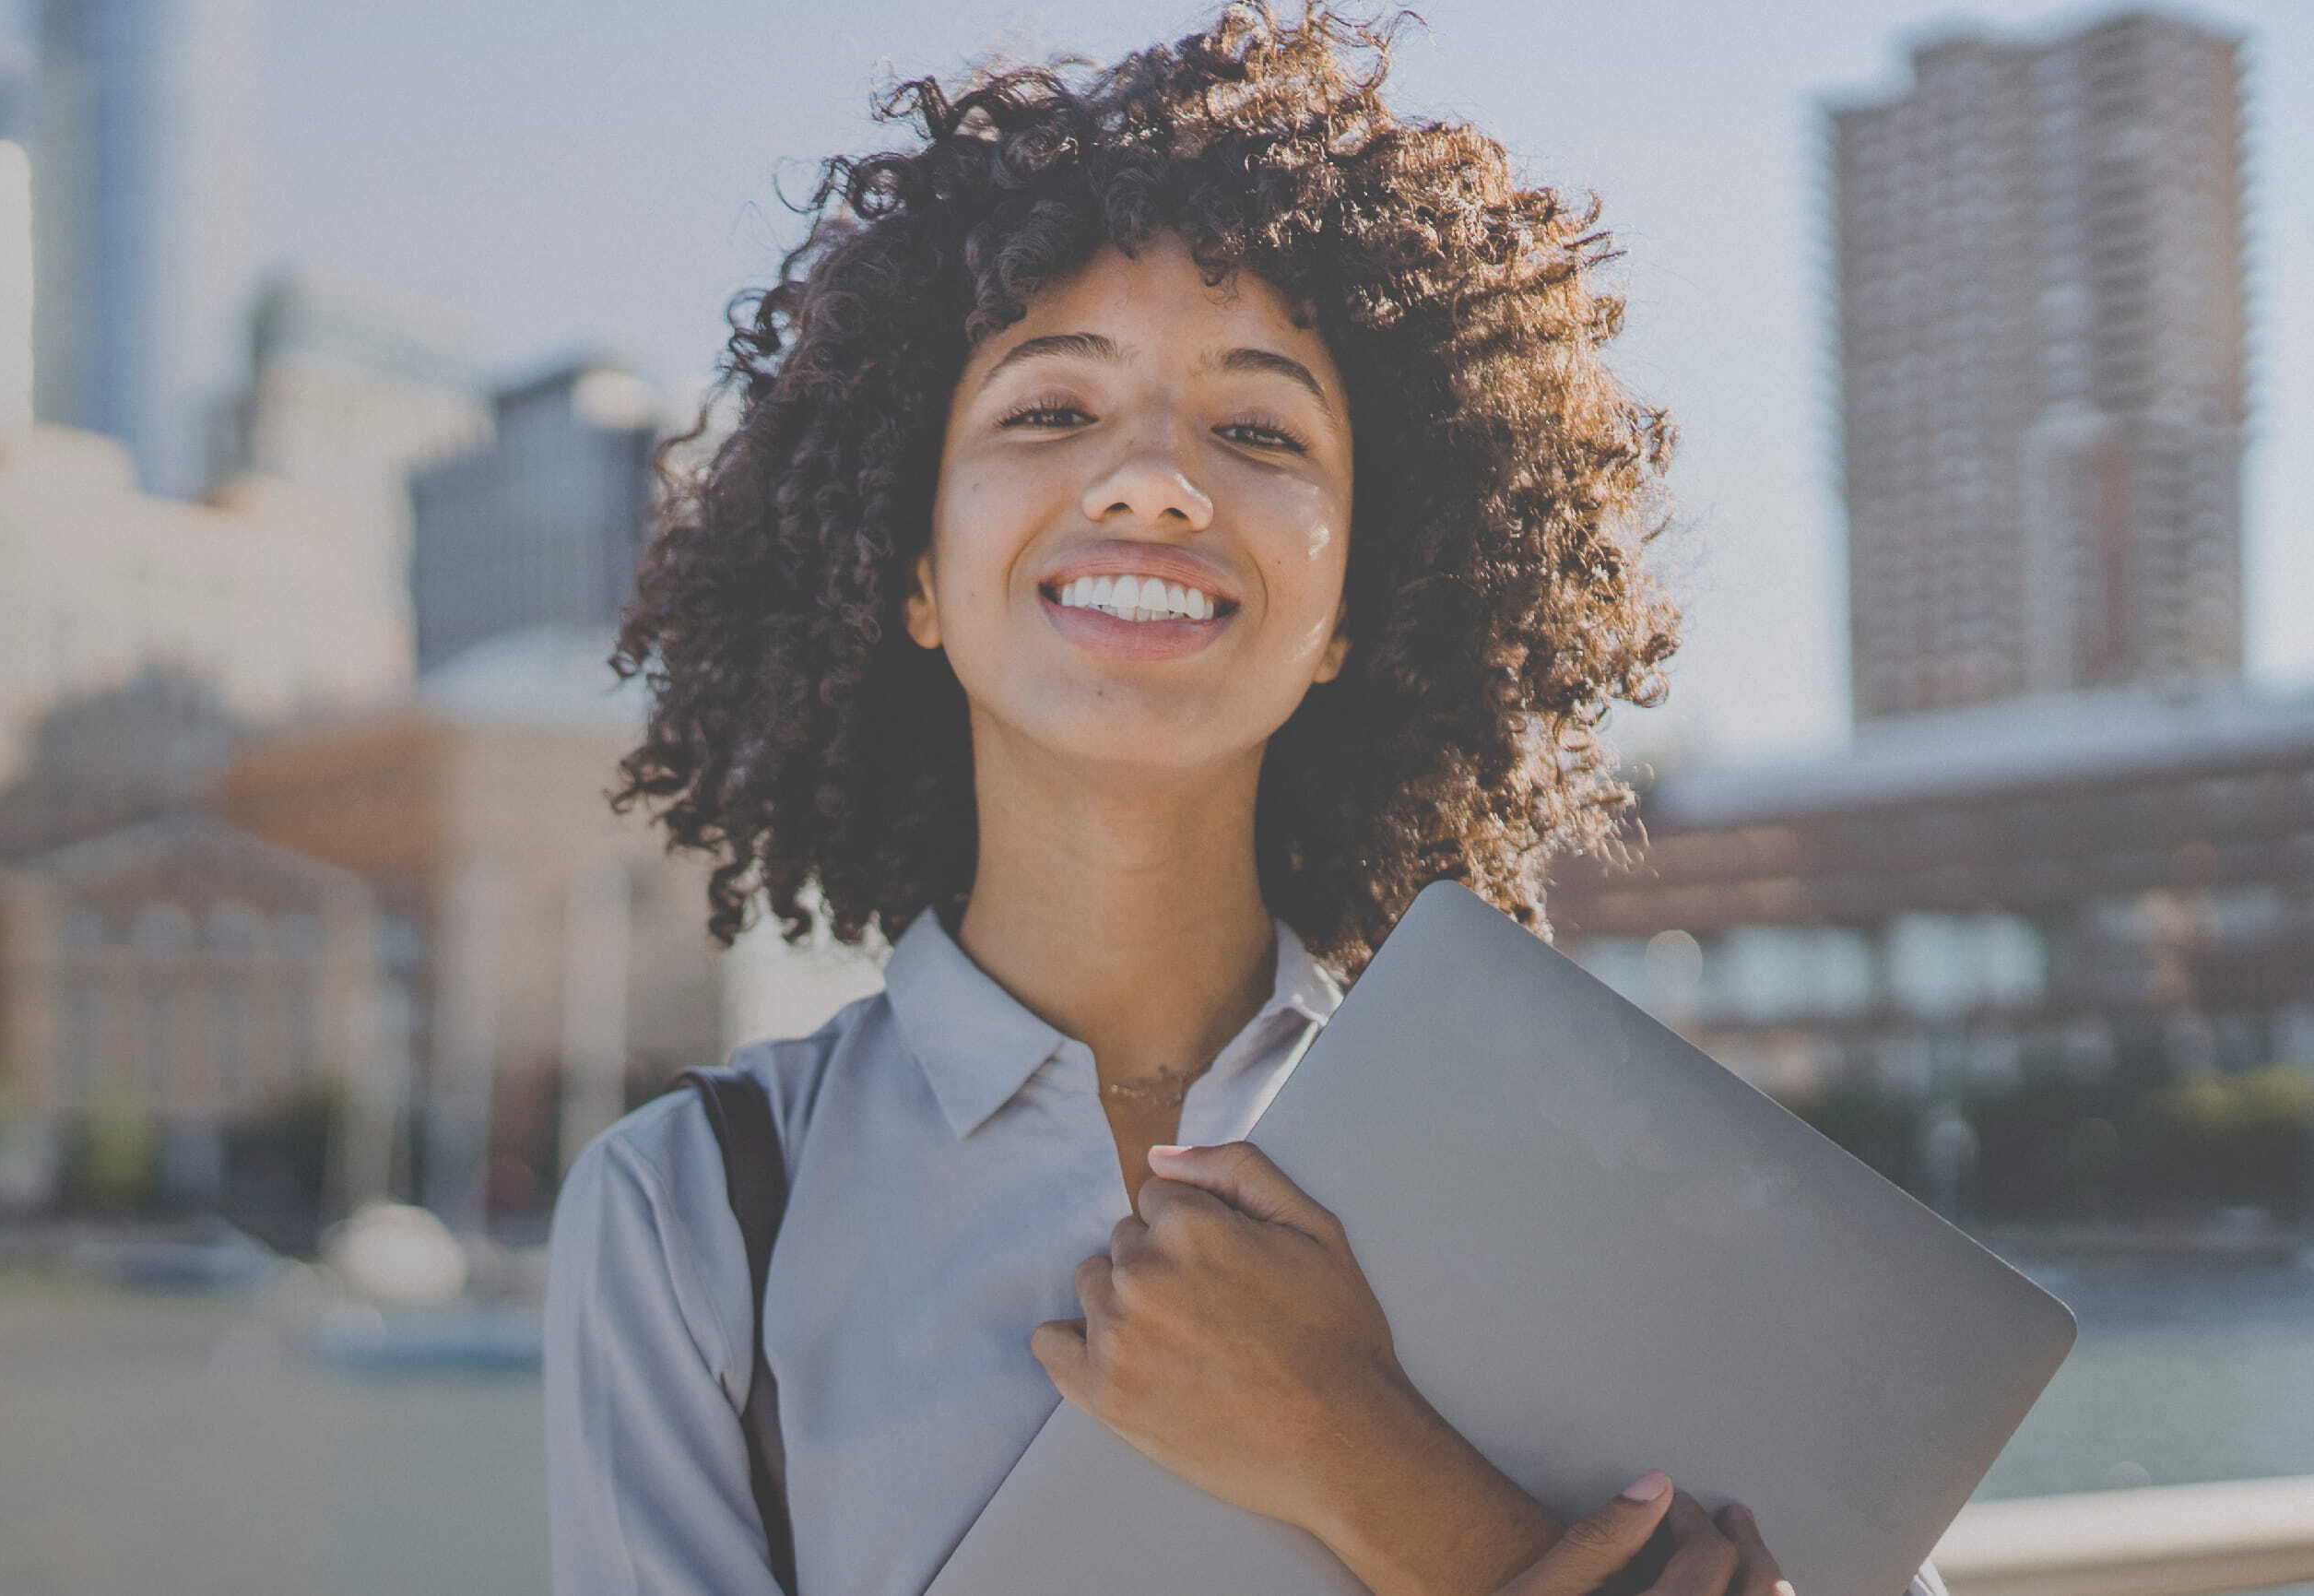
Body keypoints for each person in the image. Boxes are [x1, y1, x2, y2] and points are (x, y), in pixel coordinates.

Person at [545, 6, 1945, 1594]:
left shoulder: (1601, 1160)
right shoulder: (693, 1216)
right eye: (1051, 410)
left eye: (1259, 427)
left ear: (1356, 606)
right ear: (917, 571)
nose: (1153, 480)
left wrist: (1357, 1453)